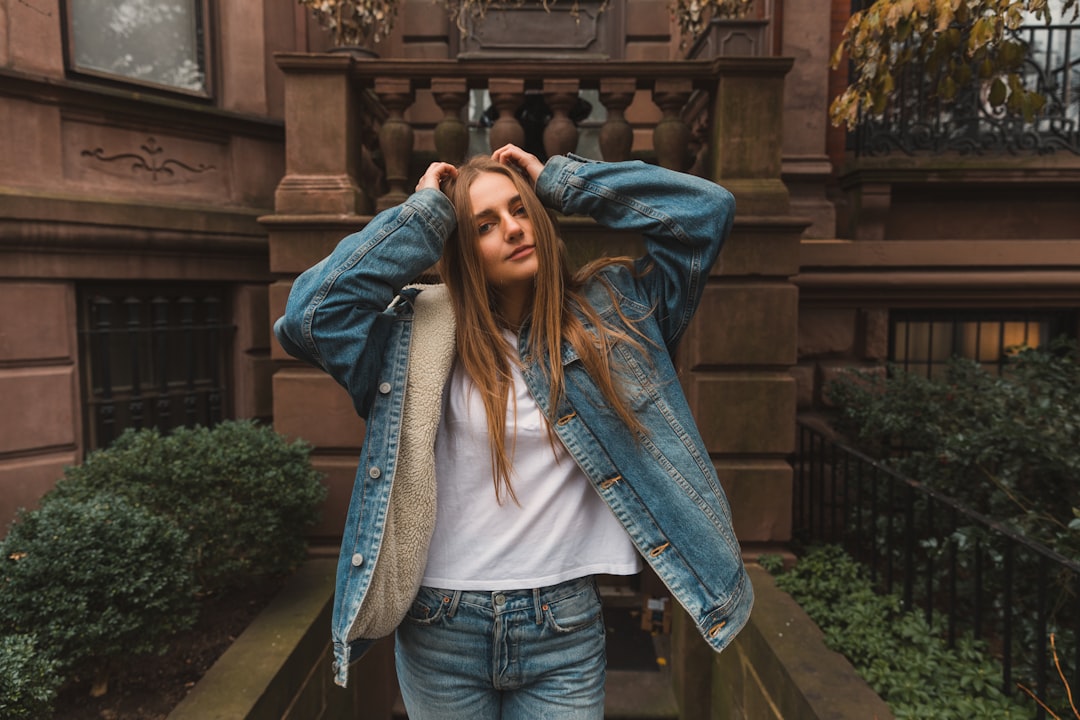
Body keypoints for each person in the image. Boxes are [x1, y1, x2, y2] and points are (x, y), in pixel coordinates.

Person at [274, 144, 753, 719]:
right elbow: (309, 317)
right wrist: (425, 214)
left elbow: (706, 214)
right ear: (462, 248)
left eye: (521, 209)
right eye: (484, 224)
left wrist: (562, 180)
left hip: (564, 623)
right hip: (439, 624)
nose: (513, 228)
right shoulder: (412, 336)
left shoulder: (615, 316)